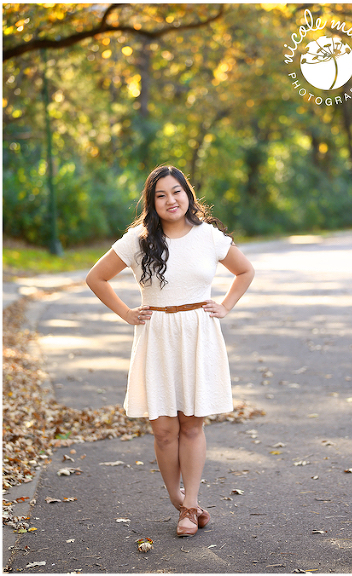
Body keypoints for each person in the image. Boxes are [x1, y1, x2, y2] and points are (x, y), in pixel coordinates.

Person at [86, 165, 255, 537]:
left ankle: (190, 508)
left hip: (198, 334)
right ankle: (179, 499)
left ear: (188, 194)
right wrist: (127, 313)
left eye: (176, 192)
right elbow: (95, 278)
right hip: (156, 336)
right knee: (163, 429)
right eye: (161, 195)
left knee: (191, 424)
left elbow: (245, 271)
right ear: (152, 202)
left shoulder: (208, 236)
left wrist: (224, 306)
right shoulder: (138, 239)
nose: (170, 200)